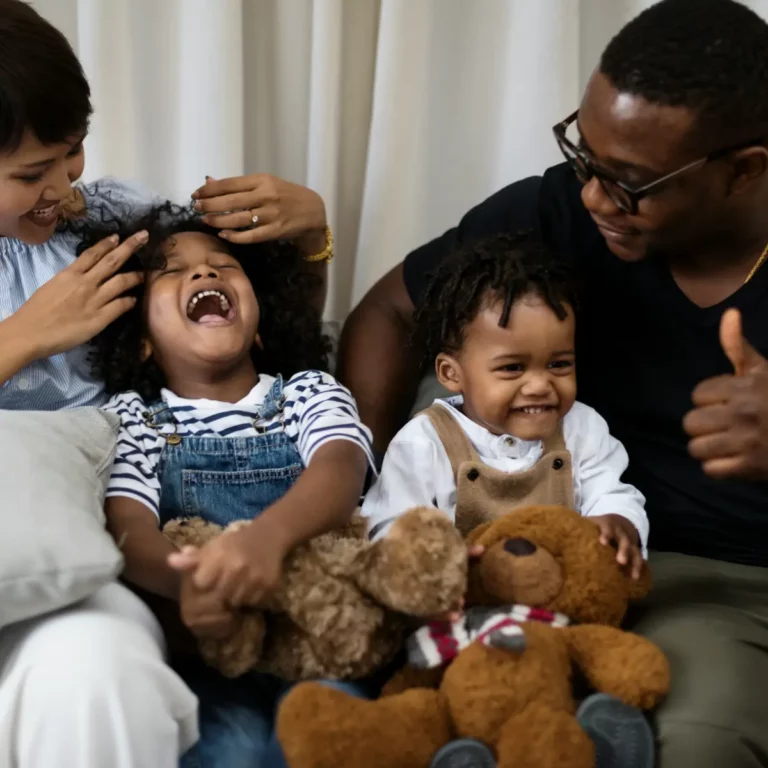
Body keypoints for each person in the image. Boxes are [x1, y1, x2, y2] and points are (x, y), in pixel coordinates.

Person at [337, 0, 768, 766]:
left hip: (718, 581)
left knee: (684, 746)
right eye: (585, 157)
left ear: (745, 171)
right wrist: (363, 490)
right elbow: (392, 312)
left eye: (631, 184)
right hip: (527, 559)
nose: (595, 197)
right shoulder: (562, 213)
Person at [0, 2, 333, 766]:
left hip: (124, 533)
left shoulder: (118, 222)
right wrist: (29, 334)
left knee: (102, 669)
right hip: (20, 531)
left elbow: (263, 342)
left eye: (73, 152)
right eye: (31, 173)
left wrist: (310, 235)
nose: (64, 184)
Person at [84, 205, 376, 768]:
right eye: (172, 272)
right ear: (141, 341)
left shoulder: (306, 394)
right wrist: (185, 584)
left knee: (332, 731)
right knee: (231, 749)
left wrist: (267, 540)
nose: (204, 273)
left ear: (261, 325)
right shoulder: (134, 419)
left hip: (321, 641)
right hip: (212, 657)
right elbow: (127, 525)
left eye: (224, 265)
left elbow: (340, 469)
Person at [361, 233, 653, 768]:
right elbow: (390, 527)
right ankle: (453, 748)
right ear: (453, 373)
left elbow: (615, 486)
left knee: (572, 682)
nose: (541, 386)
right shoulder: (425, 440)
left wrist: (619, 520)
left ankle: (595, 740)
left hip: (556, 624)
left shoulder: (582, 428)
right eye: (513, 368)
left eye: (559, 365)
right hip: (461, 621)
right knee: (440, 688)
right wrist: (433, 569)